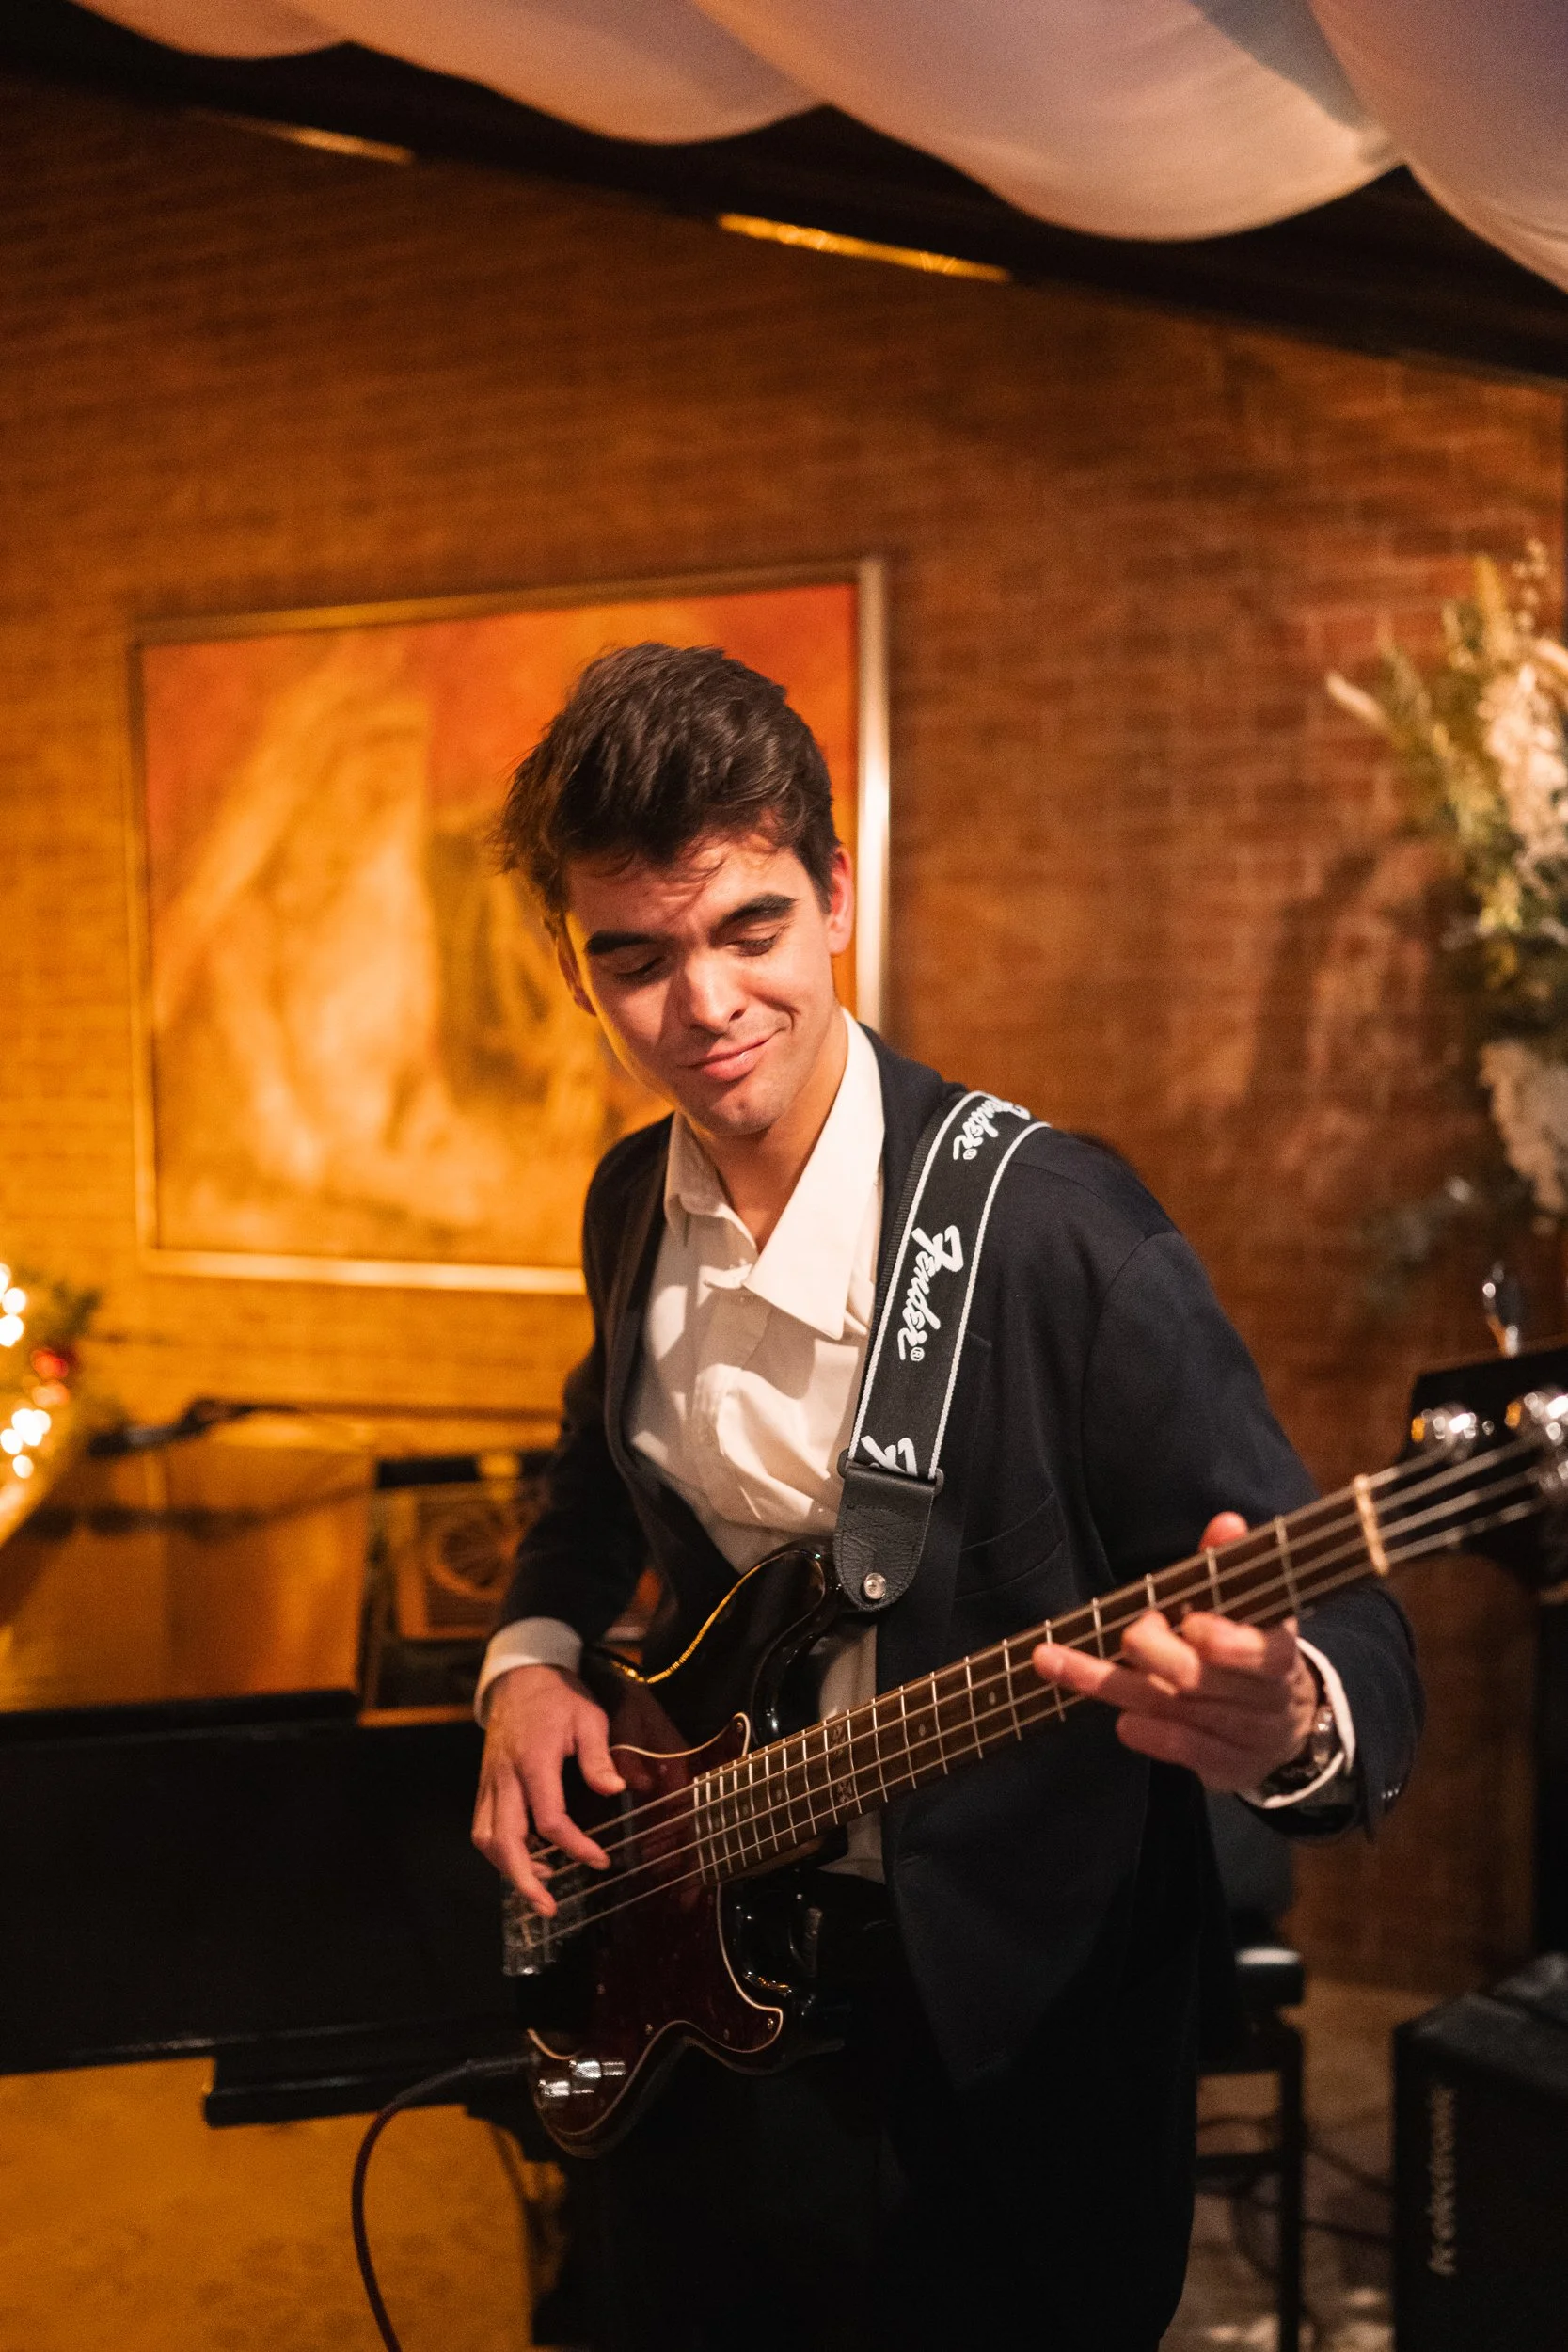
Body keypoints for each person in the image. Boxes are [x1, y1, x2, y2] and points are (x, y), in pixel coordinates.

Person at [471, 644, 1421, 2351]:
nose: (702, 1009)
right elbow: (587, 1490)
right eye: (635, 958)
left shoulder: (1063, 1235)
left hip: (997, 2045)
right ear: (574, 963)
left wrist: (1288, 1712)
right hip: (699, 1990)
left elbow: (1351, 1622)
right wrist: (531, 1658)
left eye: (750, 927)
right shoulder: (629, 1204)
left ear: (836, 894)